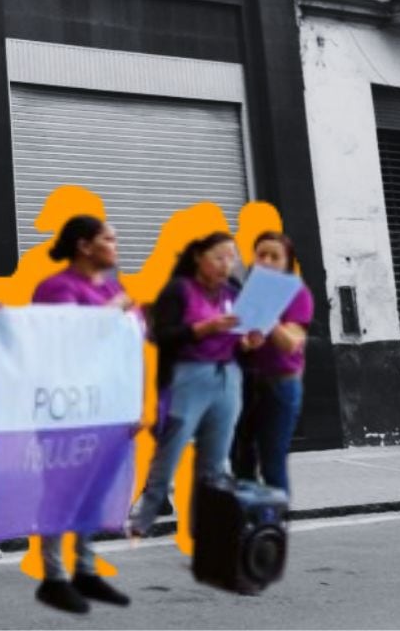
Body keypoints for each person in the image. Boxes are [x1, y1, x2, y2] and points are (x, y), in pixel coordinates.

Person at [27, 215, 135, 614]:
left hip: (105, 404)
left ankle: (86, 568)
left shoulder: (111, 287)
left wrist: (133, 403)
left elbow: (127, 349)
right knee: (61, 488)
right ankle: (54, 576)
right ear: (84, 246)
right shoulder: (55, 288)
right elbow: (70, 340)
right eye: (109, 239)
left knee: (95, 488)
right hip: (64, 406)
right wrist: (114, 310)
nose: (116, 246)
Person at [128, 232, 263, 537]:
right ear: (199, 260)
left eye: (231, 258)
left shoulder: (232, 291)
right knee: (171, 442)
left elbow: (241, 335)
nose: (226, 264)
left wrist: (248, 341)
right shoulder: (179, 292)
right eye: (219, 257)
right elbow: (164, 336)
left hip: (224, 378)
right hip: (183, 379)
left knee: (217, 453)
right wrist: (205, 328)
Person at [233, 231, 311, 495]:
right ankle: (253, 525)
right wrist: (245, 342)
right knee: (242, 461)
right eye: (261, 254)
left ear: (287, 262)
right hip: (248, 384)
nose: (266, 261)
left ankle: (275, 527)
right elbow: (242, 341)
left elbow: (291, 343)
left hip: (281, 386)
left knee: (272, 464)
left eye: (274, 256)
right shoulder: (246, 293)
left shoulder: (297, 294)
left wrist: (268, 317)